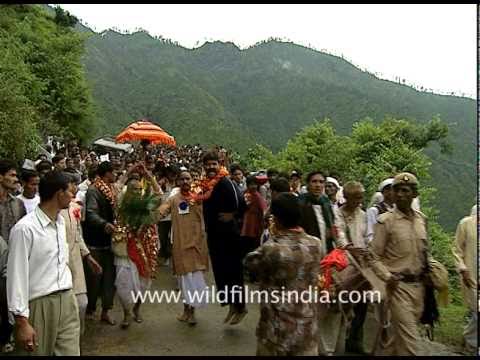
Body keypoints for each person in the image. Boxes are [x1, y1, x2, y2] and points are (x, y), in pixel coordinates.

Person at [7, 171, 80, 355]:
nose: (73, 196)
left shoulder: (61, 222)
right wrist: (22, 322)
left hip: (67, 300)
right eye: (70, 192)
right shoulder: (25, 229)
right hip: (40, 305)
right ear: (58, 194)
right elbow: (16, 276)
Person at [245, 193, 324, 356]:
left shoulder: (272, 249)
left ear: (276, 219)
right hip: (307, 328)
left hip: (277, 332)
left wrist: (273, 236)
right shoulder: (316, 243)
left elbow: (249, 264)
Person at [368, 172, 429, 356]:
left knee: (395, 341)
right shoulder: (385, 221)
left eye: (405, 190)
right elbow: (373, 257)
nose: (400, 195)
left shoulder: (422, 220)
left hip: (418, 289)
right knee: (411, 345)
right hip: (397, 287)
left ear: (414, 194)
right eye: (397, 191)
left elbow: (426, 251)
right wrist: (387, 277)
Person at [297, 171, 347, 355]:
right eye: (314, 182)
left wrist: (342, 245)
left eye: (321, 182)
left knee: (327, 305)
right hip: (307, 262)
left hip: (327, 262)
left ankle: (326, 348)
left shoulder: (328, 205)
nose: (318, 185)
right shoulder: (300, 204)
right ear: (308, 184)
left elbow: (336, 229)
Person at [201, 151, 247, 325]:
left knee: (233, 272)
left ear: (219, 165)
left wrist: (233, 215)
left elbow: (242, 204)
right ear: (204, 166)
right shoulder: (207, 184)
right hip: (214, 235)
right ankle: (232, 306)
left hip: (229, 236)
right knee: (221, 272)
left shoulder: (226, 182)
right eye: (208, 164)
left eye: (214, 164)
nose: (211, 167)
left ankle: (241, 307)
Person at [158, 171, 209, 325]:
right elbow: (161, 212)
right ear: (178, 182)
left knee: (194, 279)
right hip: (180, 245)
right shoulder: (173, 199)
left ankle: (192, 312)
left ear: (192, 180)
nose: (185, 181)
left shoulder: (200, 198)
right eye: (182, 179)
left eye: (188, 178)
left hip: (197, 245)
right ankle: (186, 310)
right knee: (183, 281)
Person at [60, 175, 102, 338]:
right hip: (57, 266)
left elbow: (78, 234)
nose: (75, 188)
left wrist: (87, 256)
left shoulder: (74, 208)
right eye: (72, 185)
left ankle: (77, 338)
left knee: (82, 304)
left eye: (76, 184)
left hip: (76, 262)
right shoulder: (45, 213)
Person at [114, 178, 159, 329]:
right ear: (128, 191)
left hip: (144, 250)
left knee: (143, 285)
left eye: (140, 189)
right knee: (123, 285)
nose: (138, 192)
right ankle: (126, 313)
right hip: (125, 251)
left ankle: (137, 309)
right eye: (134, 189)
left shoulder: (148, 205)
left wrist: (148, 175)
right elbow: (118, 186)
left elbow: (159, 196)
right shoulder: (121, 206)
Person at [83, 161, 117, 325]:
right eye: (113, 171)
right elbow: (90, 213)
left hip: (110, 242)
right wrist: (104, 224)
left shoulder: (112, 189)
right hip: (95, 242)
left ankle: (106, 311)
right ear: (106, 174)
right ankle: (90, 309)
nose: (116, 175)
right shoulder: (93, 190)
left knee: (109, 279)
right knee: (94, 279)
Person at [337, 181, 369, 354]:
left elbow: (367, 236)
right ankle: (340, 338)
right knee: (343, 303)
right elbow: (339, 234)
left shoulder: (363, 215)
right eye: (356, 197)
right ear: (347, 197)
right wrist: (349, 248)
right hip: (344, 263)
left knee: (362, 303)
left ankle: (355, 340)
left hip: (362, 266)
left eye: (361, 197)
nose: (359, 200)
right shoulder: (338, 213)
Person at [0, 160, 27, 352]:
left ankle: (8, 336)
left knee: (9, 299)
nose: (15, 179)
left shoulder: (18, 204)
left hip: (13, 260)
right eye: (11, 175)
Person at [452, 204, 477, 354]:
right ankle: (471, 345)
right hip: (471, 276)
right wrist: (462, 268)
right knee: (476, 311)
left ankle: (468, 339)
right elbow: (456, 249)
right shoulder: (466, 223)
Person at [241, 175, 267, 256]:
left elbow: (264, 211)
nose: (253, 186)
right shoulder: (245, 194)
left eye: (255, 184)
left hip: (255, 225)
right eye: (251, 184)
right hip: (246, 224)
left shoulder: (258, 196)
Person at [366, 178, 394, 242]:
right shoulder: (374, 210)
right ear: (383, 192)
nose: (391, 192)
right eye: (388, 189)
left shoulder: (398, 210)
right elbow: (370, 233)